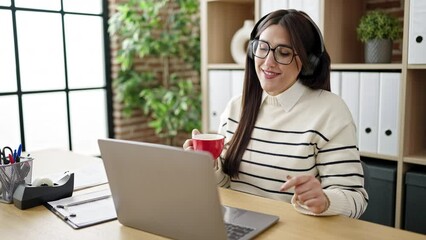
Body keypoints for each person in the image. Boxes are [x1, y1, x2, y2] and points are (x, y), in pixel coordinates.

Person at [183, 9, 368, 218]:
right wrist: (209, 166)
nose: (268, 62)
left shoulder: (330, 111)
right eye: (262, 48)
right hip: (234, 226)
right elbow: (227, 186)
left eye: (284, 53)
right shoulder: (236, 107)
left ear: (309, 62)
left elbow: (355, 198)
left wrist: (325, 201)